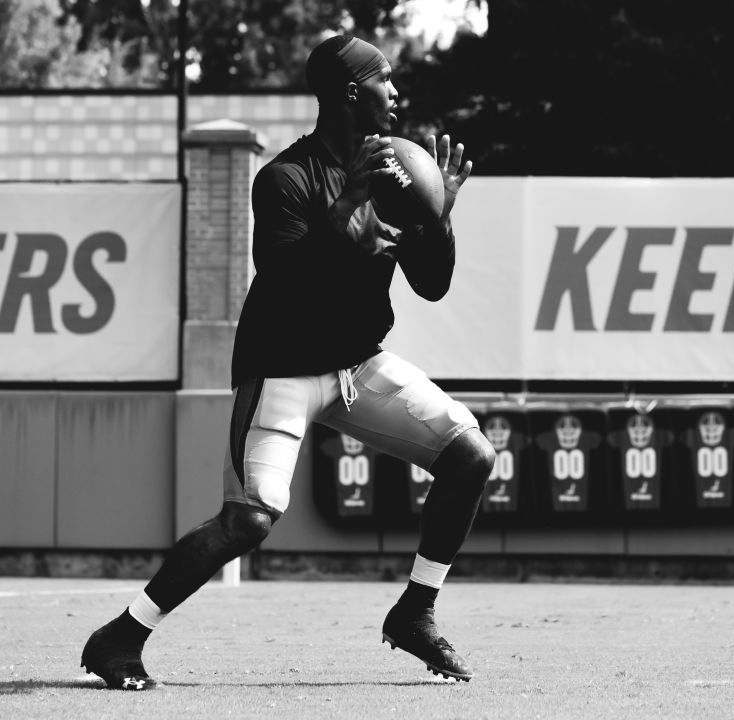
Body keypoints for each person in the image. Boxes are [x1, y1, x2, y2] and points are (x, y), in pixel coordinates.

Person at [80, 35, 495, 688]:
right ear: (353, 92)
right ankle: (120, 638)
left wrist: (438, 217)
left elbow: (432, 283)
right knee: (249, 518)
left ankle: (415, 612)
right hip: (284, 367)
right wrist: (341, 210)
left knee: (471, 454)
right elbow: (284, 275)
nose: (398, 93)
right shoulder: (284, 177)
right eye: (386, 81)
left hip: (356, 367)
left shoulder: (393, 175)